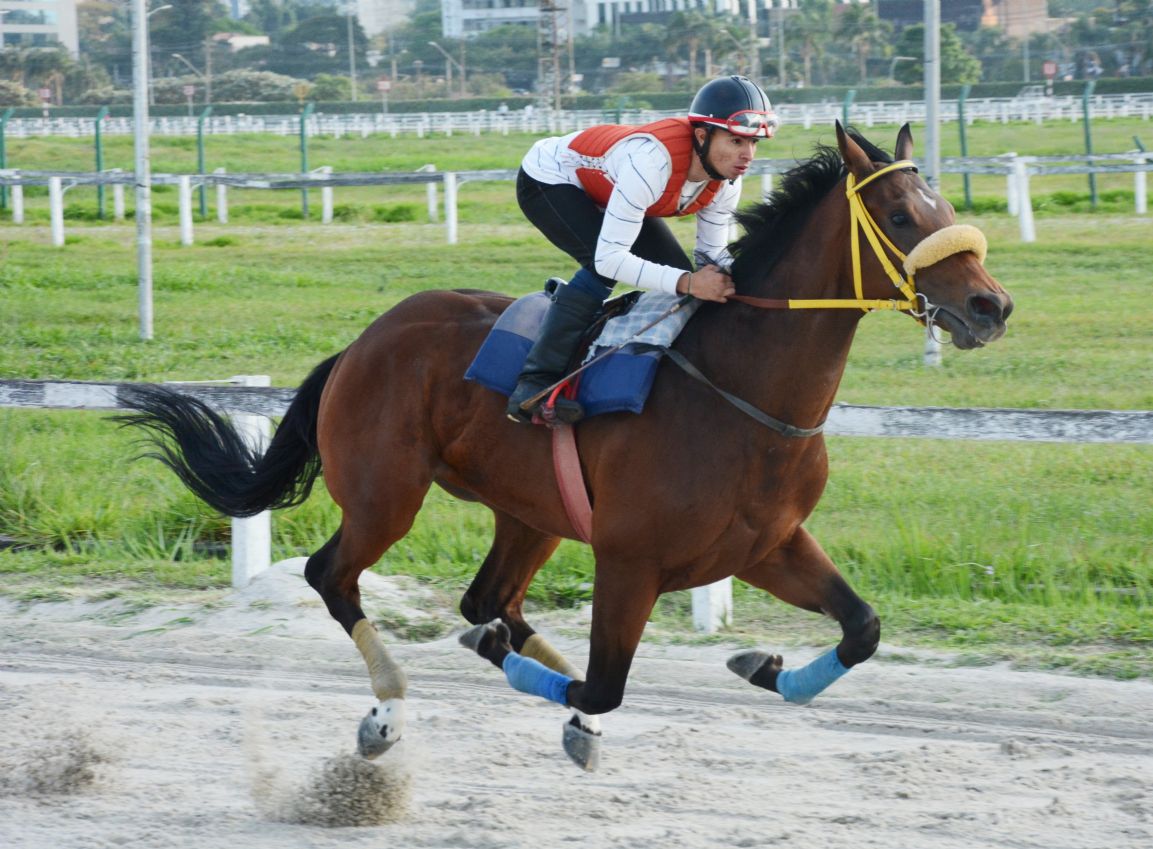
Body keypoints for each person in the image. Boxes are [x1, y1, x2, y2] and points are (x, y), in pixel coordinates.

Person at [506, 75, 779, 424]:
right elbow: (611, 258)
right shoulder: (652, 162)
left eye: (753, 143)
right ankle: (533, 385)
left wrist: (755, 283)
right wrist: (689, 282)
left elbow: (710, 256)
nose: (748, 155)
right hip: (550, 180)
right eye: (737, 141)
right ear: (701, 136)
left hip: (612, 186)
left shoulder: (727, 179)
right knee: (603, 268)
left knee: (679, 275)